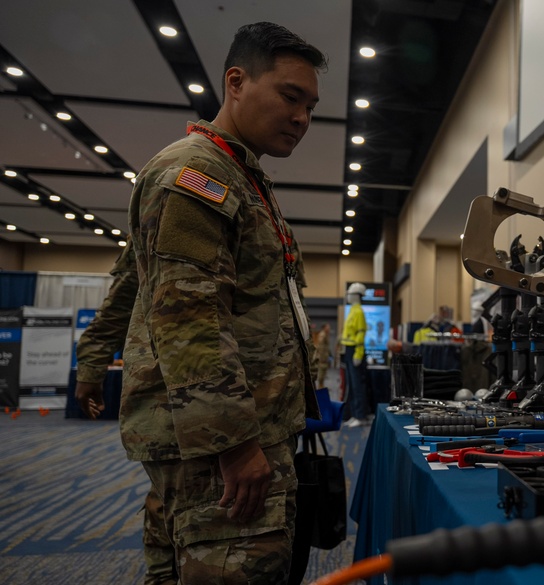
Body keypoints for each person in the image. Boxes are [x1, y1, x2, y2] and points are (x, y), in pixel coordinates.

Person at [121, 22, 326, 585]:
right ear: (236, 81)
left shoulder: (239, 174)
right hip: (223, 444)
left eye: (310, 105)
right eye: (290, 97)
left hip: (225, 432)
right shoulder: (198, 176)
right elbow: (188, 320)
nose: (303, 118)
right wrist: (234, 445)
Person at [74, 240, 178, 585]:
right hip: (177, 395)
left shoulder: (269, 215)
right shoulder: (168, 204)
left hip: (261, 402)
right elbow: (120, 303)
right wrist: (91, 364)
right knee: (173, 501)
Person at [340, 282, 369, 426]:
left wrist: (358, 354)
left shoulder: (358, 312)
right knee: (352, 385)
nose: (348, 297)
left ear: (356, 296)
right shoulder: (352, 310)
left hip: (354, 352)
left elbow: (360, 334)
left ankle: (360, 416)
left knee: (357, 386)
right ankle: (354, 414)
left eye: (350, 294)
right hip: (349, 350)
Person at [313, 322, 332, 388]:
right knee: (321, 372)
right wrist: (320, 356)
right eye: (328, 327)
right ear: (324, 328)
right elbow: (320, 346)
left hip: (325, 357)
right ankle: (320, 387)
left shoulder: (326, 334)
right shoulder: (322, 334)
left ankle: (321, 385)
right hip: (322, 357)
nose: (329, 328)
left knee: (324, 372)